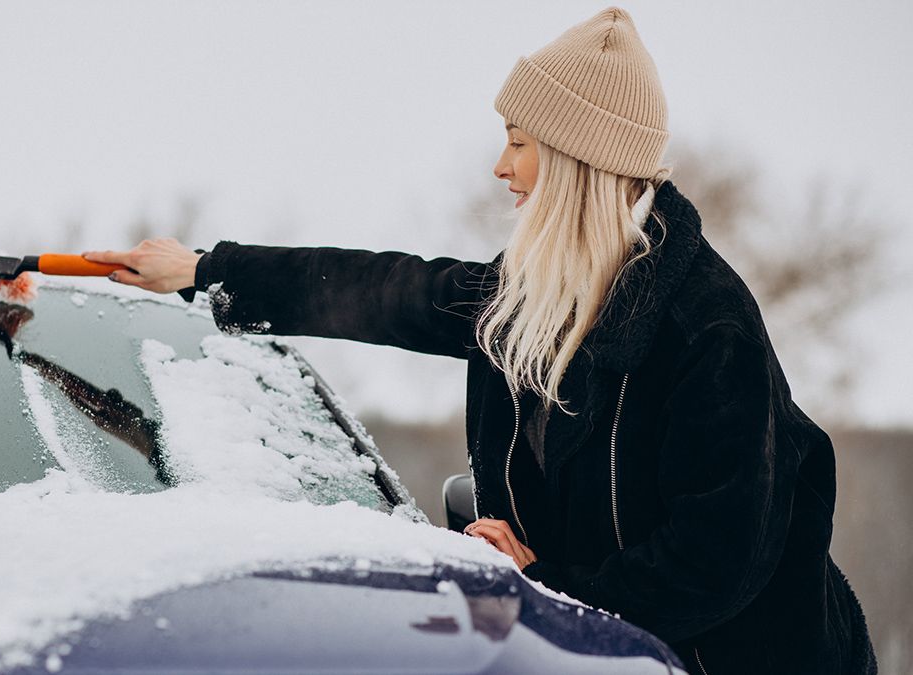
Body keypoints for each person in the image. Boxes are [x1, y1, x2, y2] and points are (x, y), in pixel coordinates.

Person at [81, 7, 876, 674]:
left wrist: (545, 583)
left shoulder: (707, 328)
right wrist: (205, 269)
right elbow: (391, 292)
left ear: (576, 159)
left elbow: (714, 562)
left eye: (520, 142)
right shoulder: (540, 291)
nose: (501, 165)